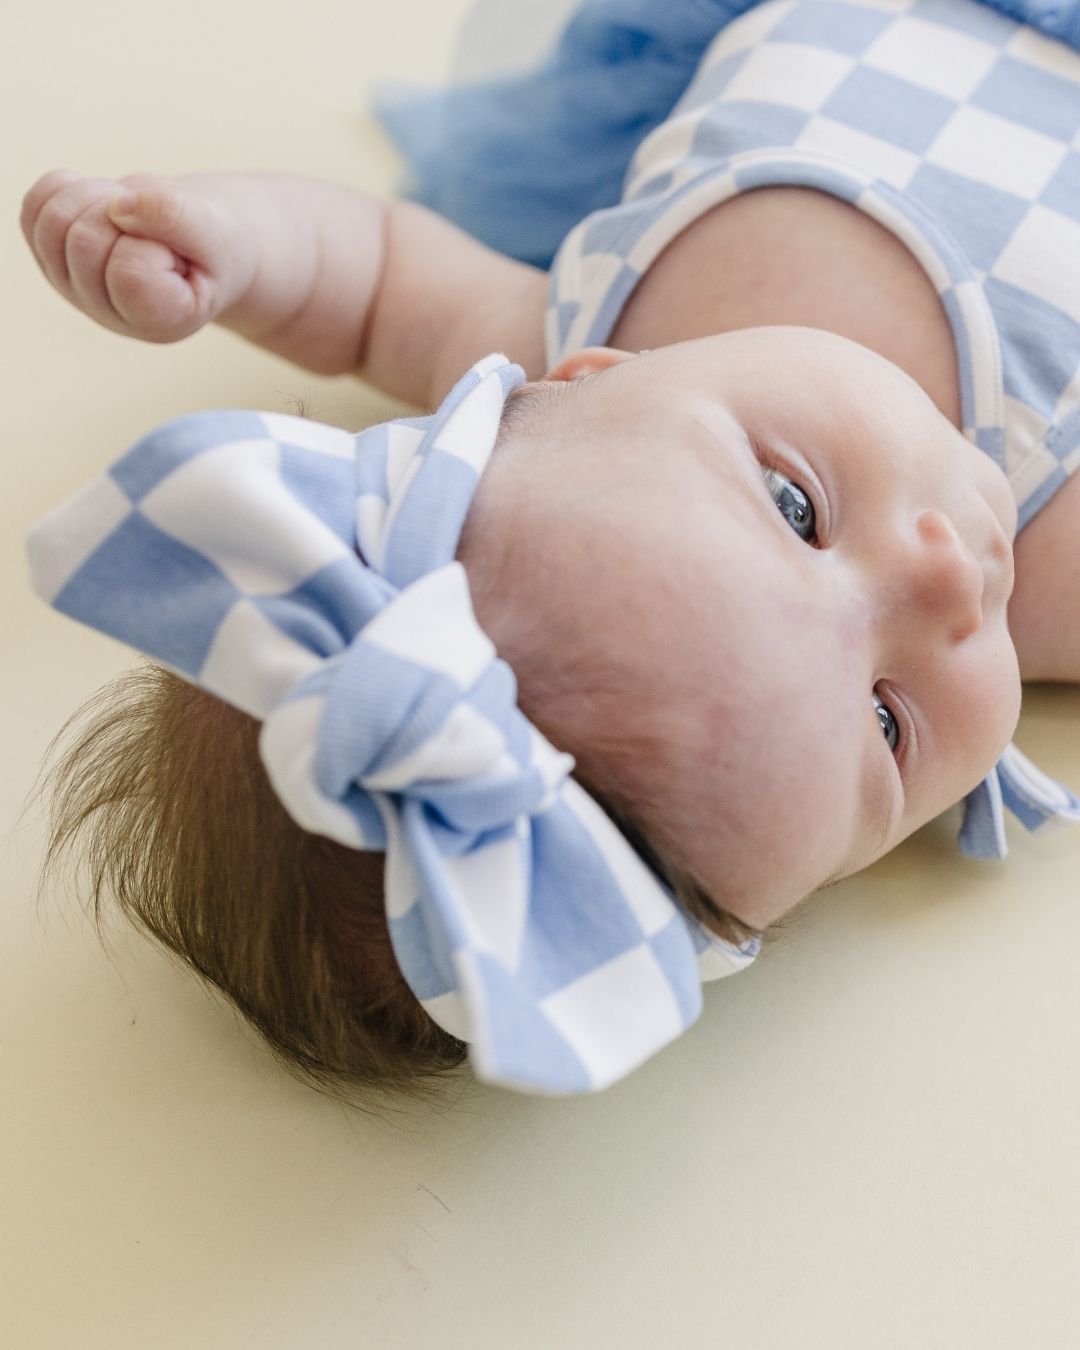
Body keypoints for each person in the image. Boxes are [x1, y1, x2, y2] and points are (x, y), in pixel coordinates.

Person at [20, 0, 1080, 1100]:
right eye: (886, 721)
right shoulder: (1052, 570)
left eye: (794, 507)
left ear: (590, 377)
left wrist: (228, 244)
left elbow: (375, 278)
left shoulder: (587, 323)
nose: (949, 576)